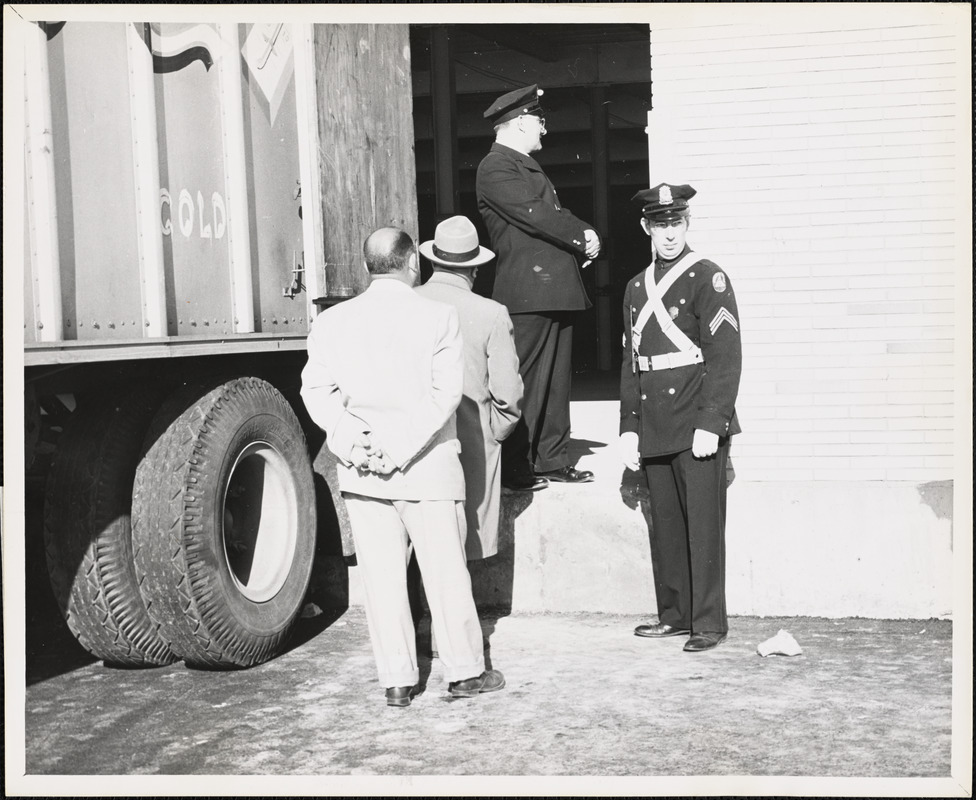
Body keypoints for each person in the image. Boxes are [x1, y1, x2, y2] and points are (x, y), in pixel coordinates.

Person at [300, 227, 505, 705]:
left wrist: (357, 442)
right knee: (446, 575)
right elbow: (445, 396)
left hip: (363, 472)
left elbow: (317, 393)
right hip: (427, 468)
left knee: (382, 579)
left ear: (368, 267)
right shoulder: (439, 316)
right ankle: (464, 672)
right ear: (413, 262)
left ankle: (396, 680)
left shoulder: (332, 322)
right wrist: (397, 446)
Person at [619, 183, 742, 653]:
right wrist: (629, 426)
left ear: (687, 224)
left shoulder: (707, 277)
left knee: (703, 527)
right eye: (661, 224)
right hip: (655, 421)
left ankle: (708, 622)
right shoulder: (635, 287)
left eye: (677, 223)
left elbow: (725, 356)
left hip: (695, 420)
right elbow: (632, 361)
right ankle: (675, 615)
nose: (669, 234)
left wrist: (712, 421)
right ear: (646, 227)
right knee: (666, 525)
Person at [476, 83, 601, 492]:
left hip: (549, 289)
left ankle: (551, 458)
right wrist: (581, 235)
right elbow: (537, 216)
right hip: (528, 291)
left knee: (556, 379)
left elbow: (547, 215)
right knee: (524, 380)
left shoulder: (521, 165)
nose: (544, 131)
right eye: (539, 122)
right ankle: (516, 467)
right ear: (519, 123)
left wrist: (579, 234)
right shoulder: (496, 167)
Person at [416, 215, 524, 562]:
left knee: (420, 536)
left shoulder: (410, 303)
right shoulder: (491, 312)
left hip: (415, 440)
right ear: (474, 270)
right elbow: (508, 395)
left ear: (433, 260)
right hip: (472, 441)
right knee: (464, 542)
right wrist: (493, 433)